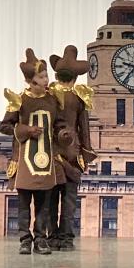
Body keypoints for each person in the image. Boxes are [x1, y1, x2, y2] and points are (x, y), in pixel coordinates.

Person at [0, 49, 63, 255]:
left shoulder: (53, 100)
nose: (46, 80)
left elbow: (59, 125)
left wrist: (64, 135)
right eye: (42, 77)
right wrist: (26, 130)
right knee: (24, 204)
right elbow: (5, 126)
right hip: (25, 161)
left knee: (44, 204)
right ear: (31, 80)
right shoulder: (19, 100)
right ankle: (25, 239)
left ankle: (41, 239)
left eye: (46, 76)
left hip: (46, 161)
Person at [47, 45, 96, 251]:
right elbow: (84, 129)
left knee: (50, 199)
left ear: (56, 75)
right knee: (69, 200)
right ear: (75, 77)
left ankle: (52, 237)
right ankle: (66, 239)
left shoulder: (48, 96)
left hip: (50, 154)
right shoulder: (79, 98)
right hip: (73, 155)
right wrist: (86, 153)